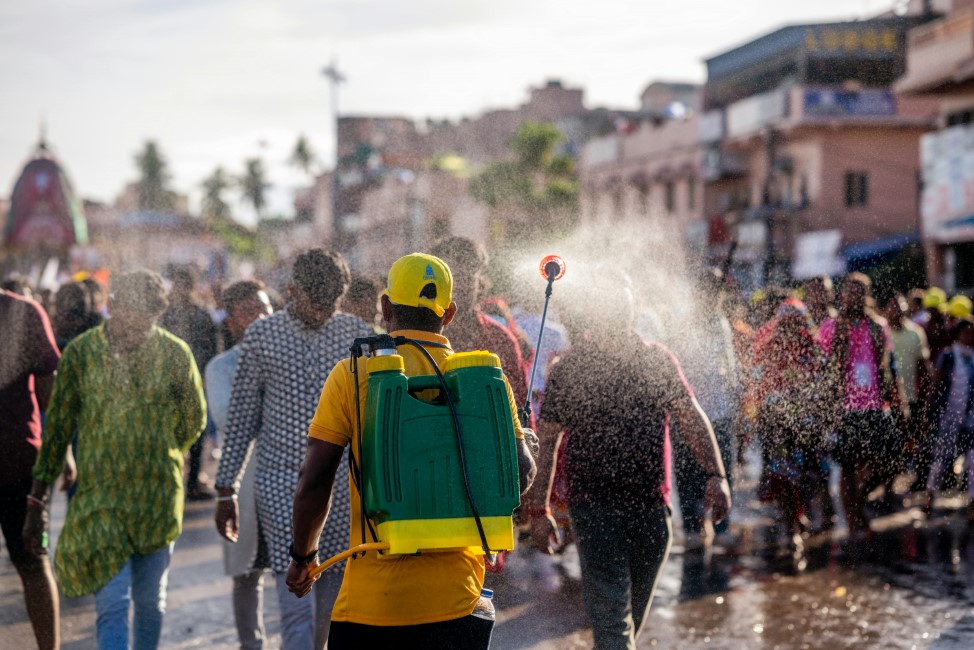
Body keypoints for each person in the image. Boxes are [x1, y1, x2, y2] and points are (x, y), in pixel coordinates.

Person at [286, 252, 536, 648]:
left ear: (385, 307)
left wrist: (302, 558)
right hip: (458, 603)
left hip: (371, 607)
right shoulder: (486, 382)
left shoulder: (353, 374)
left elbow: (314, 479)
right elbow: (522, 472)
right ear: (450, 313)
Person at [524, 273, 731, 650]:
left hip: (652, 510)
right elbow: (548, 441)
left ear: (633, 309)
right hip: (594, 510)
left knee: (625, 622)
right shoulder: (571, 369)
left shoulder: (655, 359)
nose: (616, 312)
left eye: (623, 304)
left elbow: (690, 416)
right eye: (607, 306)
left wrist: (716, 474)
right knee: (613, 624)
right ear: (592, 314)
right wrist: (539, 509)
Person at [23, 269, 206, 650]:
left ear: (158, 313)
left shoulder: (175, 353)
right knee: (112, 604)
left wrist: (159, 448)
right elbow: (57, 427)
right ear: (113, 305)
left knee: (150, 603)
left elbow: (194, 420)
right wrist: (37, 498)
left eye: (146, 321)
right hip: (99, 499)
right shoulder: (82, 353)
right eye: (129, 318)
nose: (135, 331)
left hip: (156, 497)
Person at [214, 249, 371, 650]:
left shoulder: (357, 335)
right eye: (311, 303)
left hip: (340, 483)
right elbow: (242, 420)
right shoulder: (262, 337)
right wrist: (224, 489)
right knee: (296, 589)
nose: (320, 313)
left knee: (333, 595)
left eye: (328, 305)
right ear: (291, 290)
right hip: (281, 482)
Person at [205, 280, 273, 650]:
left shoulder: (292, 358)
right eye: (250, 312)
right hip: (243, 485)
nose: (261, 317)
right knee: (247, 575)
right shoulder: (220, 368)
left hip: (288, 482)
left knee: (295, 570)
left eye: (265, 308)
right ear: (232, 323)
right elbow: (230, 418)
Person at [817, 273, 906, 540]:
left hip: (875, 405)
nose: (853, 297)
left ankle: (857, 503)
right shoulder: (831, 327)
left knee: (889, 459)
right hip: (845, 407)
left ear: (867, 296)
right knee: (847, 466)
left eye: (859, 292)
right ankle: (853, 520)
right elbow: (824, 368)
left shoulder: (879, 326)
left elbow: (889, 368)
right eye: (848, 292)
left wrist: (898, 400)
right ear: (842, 296)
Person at [1, 288, 61, 650]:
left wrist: (60, 458)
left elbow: (53, 402)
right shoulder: (25, 311)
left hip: (20, 468)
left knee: (33, 562)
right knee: (33, 564)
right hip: (21, 463)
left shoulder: (25, 313)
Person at [747, 298, 830, 545]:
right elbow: (757, 384)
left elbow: (824, 386)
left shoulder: (814, 350)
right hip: (777, 425)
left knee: (809, 476)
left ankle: (800, 513)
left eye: (797, 322)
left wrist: (823, 416)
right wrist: (754, 418)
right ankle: (792, 522)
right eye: (786, 323)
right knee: (781, 475)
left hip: (808, 425)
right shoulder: (768, 349)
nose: (791, 328)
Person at [429, 236, 529, 408]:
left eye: (467, 277)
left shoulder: (499, 338)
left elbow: (518, 407)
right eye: (451, 278)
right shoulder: (416, 335)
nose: (459, 285)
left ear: (479, 282)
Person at [160, 265, 220, 501]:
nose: (178, 289)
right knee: (168, 430)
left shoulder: (201, 314)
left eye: (183, 284)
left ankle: (193, 481)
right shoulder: (165, 314)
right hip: (167, 383)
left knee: (197, 429)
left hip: (195, 381)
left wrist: (206, 376)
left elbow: (212, 349)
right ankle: (169, 479)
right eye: (176, 284)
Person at [880, 293, 933, 494]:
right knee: (889, 448)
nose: (896, 310)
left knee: (908, 444)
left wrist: (927, 396)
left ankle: (894, 487)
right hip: (887, 400)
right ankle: (886, 487)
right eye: (892, 306)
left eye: (900, 306)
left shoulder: (915, 332)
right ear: (885, 309)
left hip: (912, 398)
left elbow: (923, 364)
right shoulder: (881, 331)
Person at [924, 317, 974, 521]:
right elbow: (935, 385)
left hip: (971, 419)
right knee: (941, 459)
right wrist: (928, 412)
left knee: (973, 460)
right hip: (949, 416)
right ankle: (930, 497)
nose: (970, 336)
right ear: (958, 334)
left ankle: (972, 505)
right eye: (967, 332)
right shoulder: (948, 356)